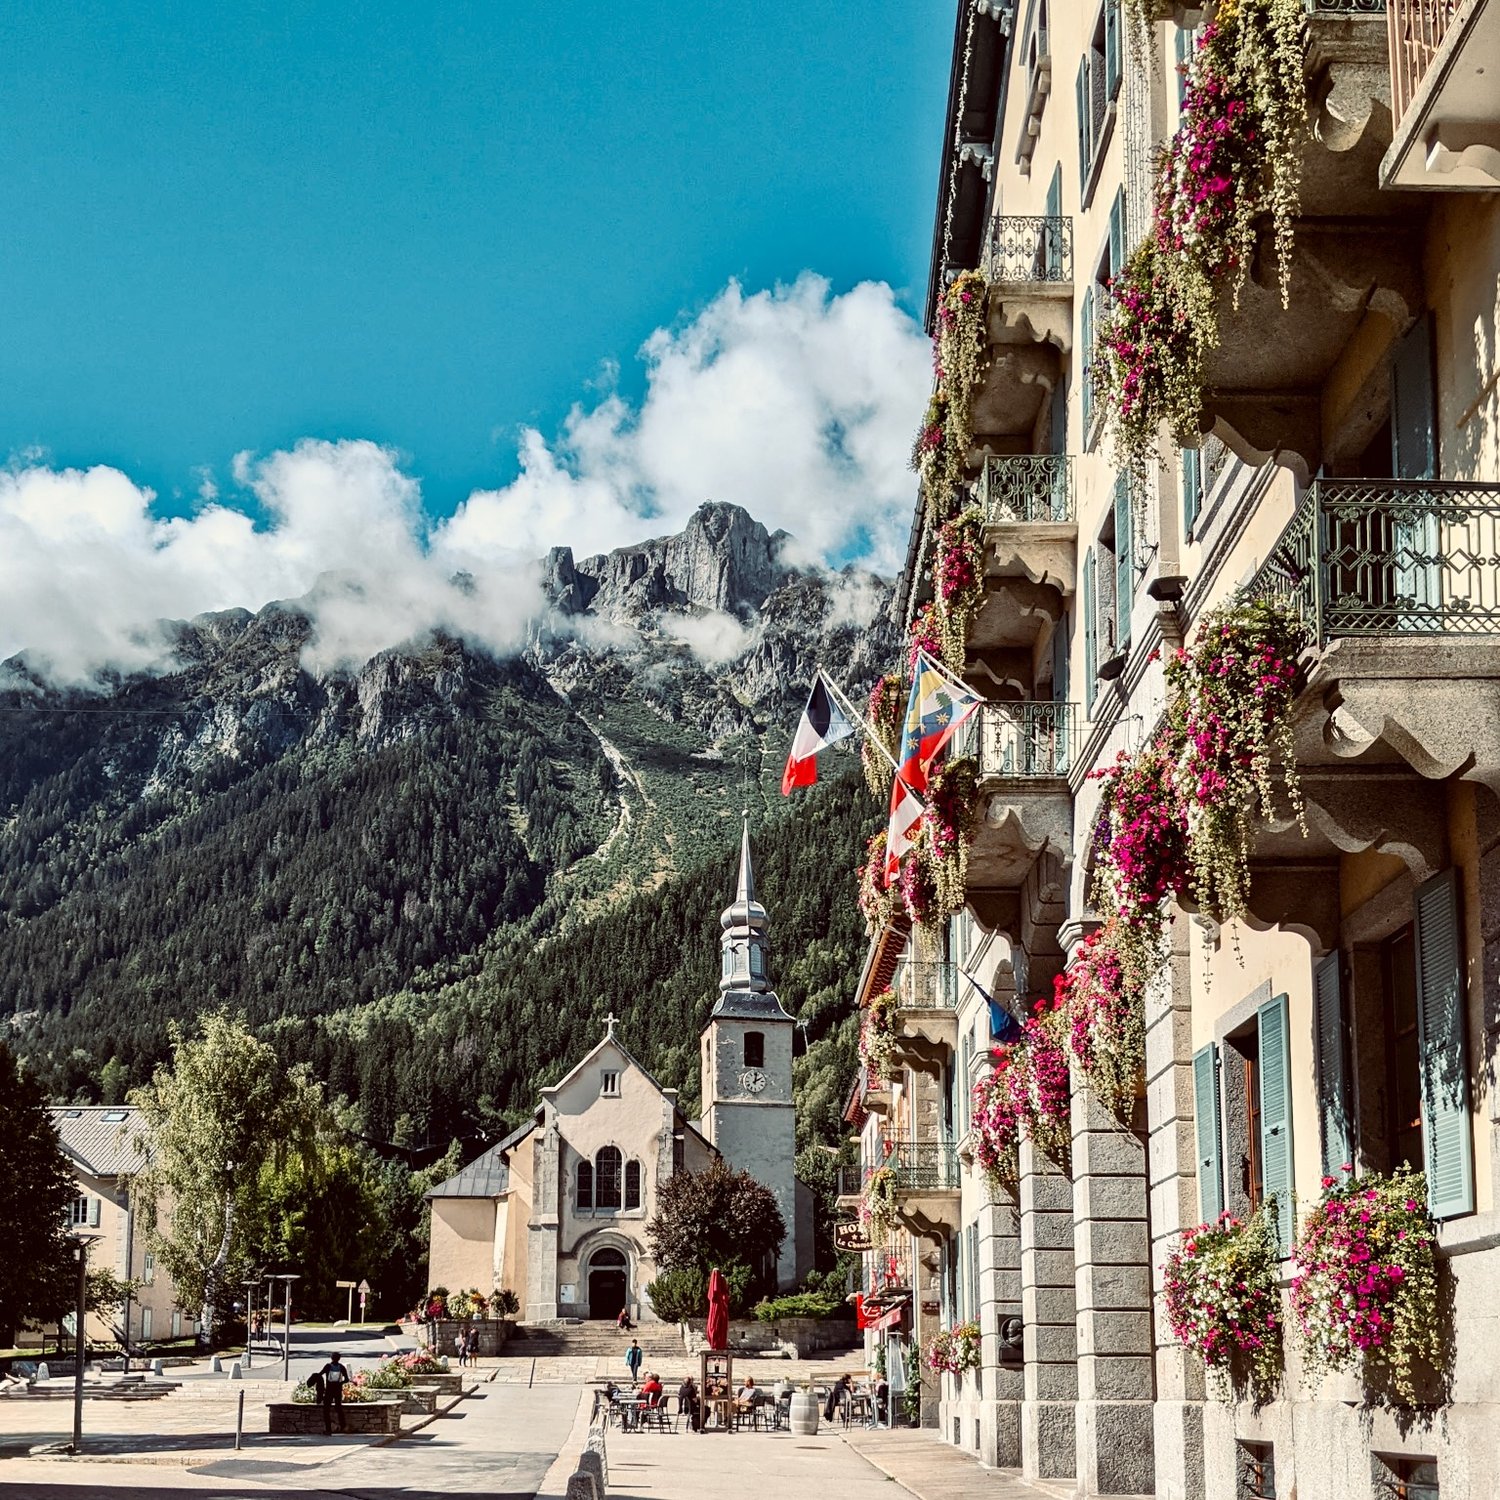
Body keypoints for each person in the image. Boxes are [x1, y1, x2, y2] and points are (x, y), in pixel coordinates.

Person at [317, 1353, 351, 1434]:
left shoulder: (328, 1366)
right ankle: (343, 1426)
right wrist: (340, 1383)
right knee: (338, 1408)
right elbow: (346, 1379)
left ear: (331, 1358)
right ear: (339, 1359)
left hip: (329, 1390)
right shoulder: (341, 1367)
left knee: (326, 1410)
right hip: (338, 1390)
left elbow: (319, 1375)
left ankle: (328, 1430)